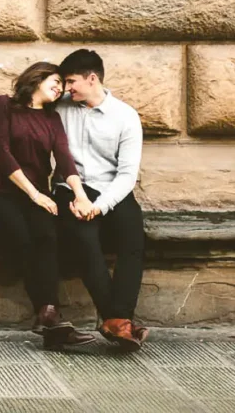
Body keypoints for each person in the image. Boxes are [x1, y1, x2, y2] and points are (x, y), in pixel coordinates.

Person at [0, 61, 99, 352]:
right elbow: (2, 152)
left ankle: (48, 316)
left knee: (47, 237)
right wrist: (34, 194)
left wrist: (80, 194)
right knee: (24, 239)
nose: (60, 88)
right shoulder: (3, 105)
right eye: (55, 81)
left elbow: (65, 159)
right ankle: (51, 318)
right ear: (36, 78)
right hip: (1, 194)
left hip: (38, 195)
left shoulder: (52, 119)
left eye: (62, 85)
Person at [53, 48, 148, 352]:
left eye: (71, 81)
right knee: (84, 239)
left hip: (112, 190)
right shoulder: (59, 109)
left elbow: (127, 174)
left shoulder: (126, 116)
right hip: (71, 188)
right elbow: (21, 118)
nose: (66, 88)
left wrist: (99, 206)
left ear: (92, 78)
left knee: (133, 240)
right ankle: (118, 322)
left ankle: (116, 320)